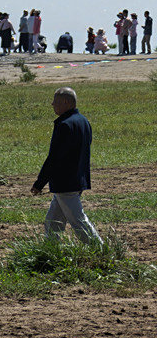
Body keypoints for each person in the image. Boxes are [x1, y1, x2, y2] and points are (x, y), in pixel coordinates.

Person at [31, 87, 102, 244]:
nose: (52, 104)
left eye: (55, 101)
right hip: (77, 180)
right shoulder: (83, 121)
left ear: (66, 102)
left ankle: (100, 250)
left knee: (78, 221)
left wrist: (39, 183)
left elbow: (54, 158)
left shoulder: (64, 124)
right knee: (52, 222)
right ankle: (50, 249)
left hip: (66, 182)